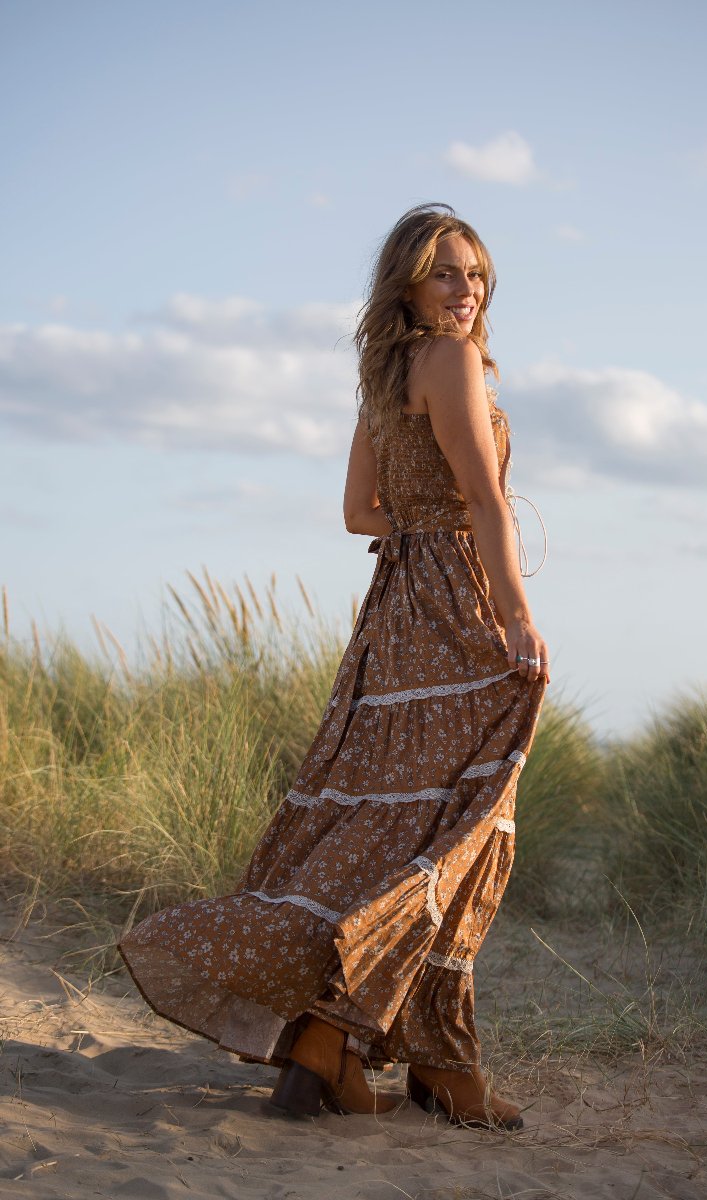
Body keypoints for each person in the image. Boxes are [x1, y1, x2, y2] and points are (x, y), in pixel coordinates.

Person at [119, 203, 549, 1131]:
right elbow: (482, 498)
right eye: (446, 273)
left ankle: (349, 1049)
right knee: (467, 833)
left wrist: (418, 536)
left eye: (476, 275)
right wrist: (511, 611)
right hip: (455, 619)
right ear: (407, 282)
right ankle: (410, 1056)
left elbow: (360, 512)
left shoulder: (382, 375)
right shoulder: (455, 362)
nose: (466, 291)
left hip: (391, 624)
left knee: (396, 833)